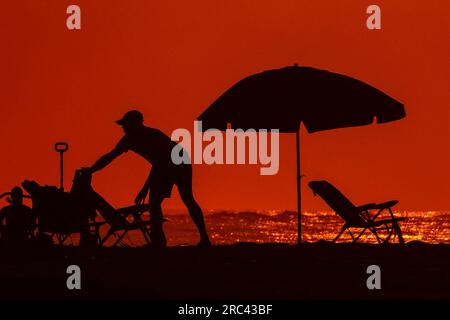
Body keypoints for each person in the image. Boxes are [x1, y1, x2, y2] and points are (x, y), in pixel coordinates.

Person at [87, 110, 211, 247]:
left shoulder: (150, 136)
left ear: (135, 124)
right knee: (159, 202)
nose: (123, 128)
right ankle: (160, 240)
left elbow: (160, 164)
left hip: (179, 160)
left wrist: (145, 188)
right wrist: (92, 169)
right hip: (170, 162)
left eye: (125, 125)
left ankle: (198, 239)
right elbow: (110, 156)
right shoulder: (129, 139)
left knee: (179, 199)